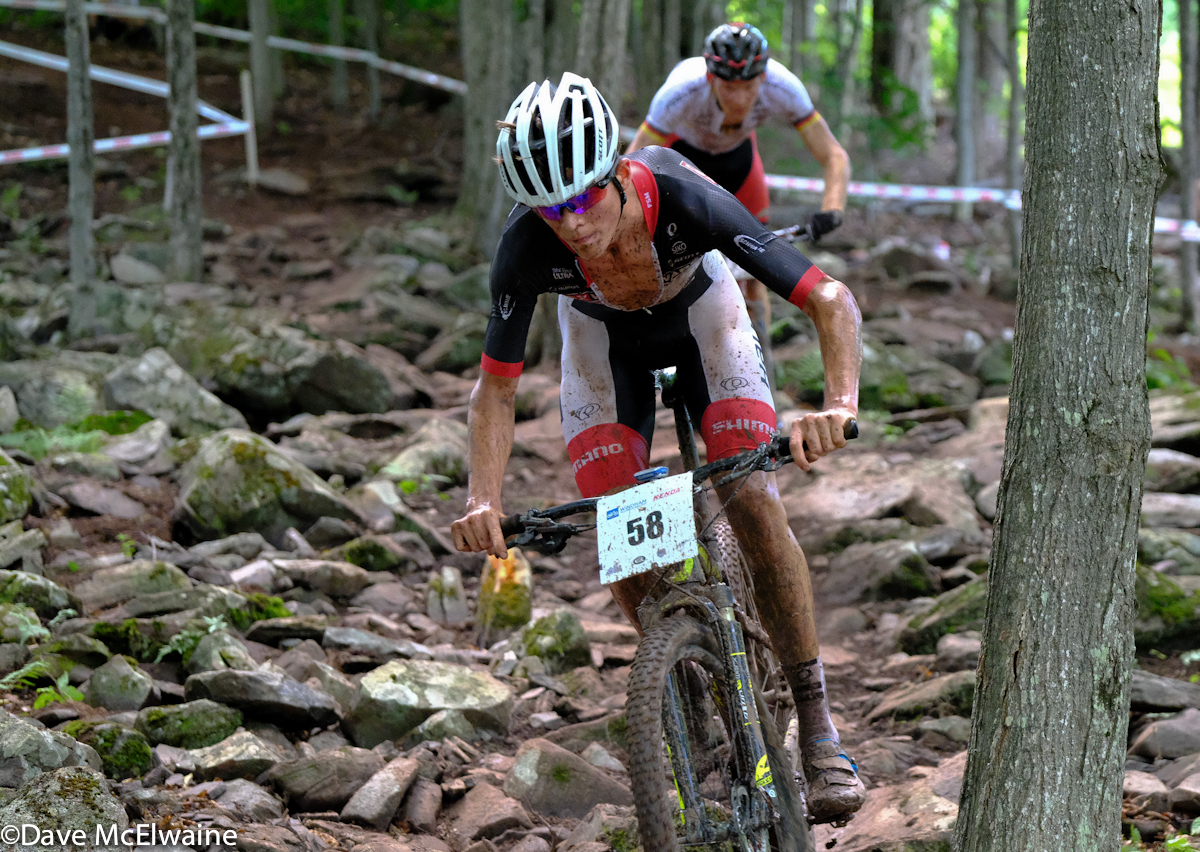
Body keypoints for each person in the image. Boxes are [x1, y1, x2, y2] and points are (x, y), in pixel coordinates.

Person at [451, 71, 865, 823]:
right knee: (620, 523)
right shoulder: (524, 246)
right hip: (600, 344)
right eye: (551, 210)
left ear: (614, 171)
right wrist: (483, 497)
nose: (572, 224)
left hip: (704, 321)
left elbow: (829, 299)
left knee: (754, 503)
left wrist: (837, 406)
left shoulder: (682, 194)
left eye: (582, 199)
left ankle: (816, 722)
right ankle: (681, 684)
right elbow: (496, 389)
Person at [627, 22, 850, 391]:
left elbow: (834, 155)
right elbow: (634, 163)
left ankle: (763, 382)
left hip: (739, 165)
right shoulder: (682, 88)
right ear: (710, 77)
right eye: (729, 87)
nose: (740, 97)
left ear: (763, 76)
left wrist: (832, 209)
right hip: (682, 162)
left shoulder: (783, 86)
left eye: (749, 86)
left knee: (755, 277)